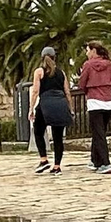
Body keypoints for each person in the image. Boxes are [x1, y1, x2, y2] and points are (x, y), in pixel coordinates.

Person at [77, 42, 111, 174]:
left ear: (93, 51)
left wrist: (88, 88)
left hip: (94, 102)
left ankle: (105, 163)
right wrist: (110, 85)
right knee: (99, 132)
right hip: (108, 101)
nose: (87, 54)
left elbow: (81, 83)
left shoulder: (88, 65)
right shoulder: (109, 64)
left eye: (88, 51)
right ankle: (95, 161)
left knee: (99, 134)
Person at [29, 47, 72, 175]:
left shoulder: (39, 72)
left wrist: (31, 109)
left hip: (46, 103)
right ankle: (57, 166)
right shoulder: (61, 73)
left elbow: (36, 91)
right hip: (60, 103)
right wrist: (70, 108)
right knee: (58, 137)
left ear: (42, 58)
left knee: (38, 131)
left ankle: (44, 159)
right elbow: (67, 92)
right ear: (54, 58)